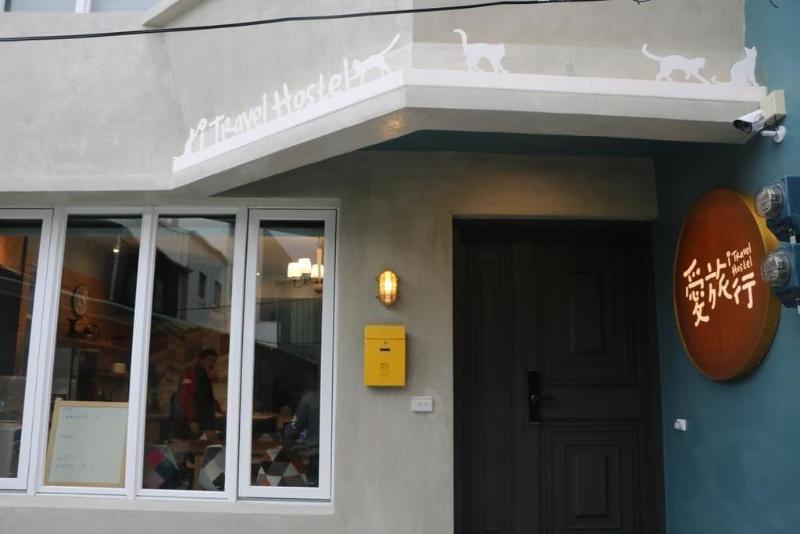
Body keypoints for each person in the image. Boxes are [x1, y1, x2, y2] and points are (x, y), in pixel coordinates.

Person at [170, 349, 224, 440]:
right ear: (200, 360)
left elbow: (208, 398)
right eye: (210, 360)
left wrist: (220, 410)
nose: (212, 364)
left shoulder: (204, 375)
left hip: (204, 420)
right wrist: (191, 420)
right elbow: (186, 397)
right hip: (193, 421)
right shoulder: (191, 373)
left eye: (214, 362)